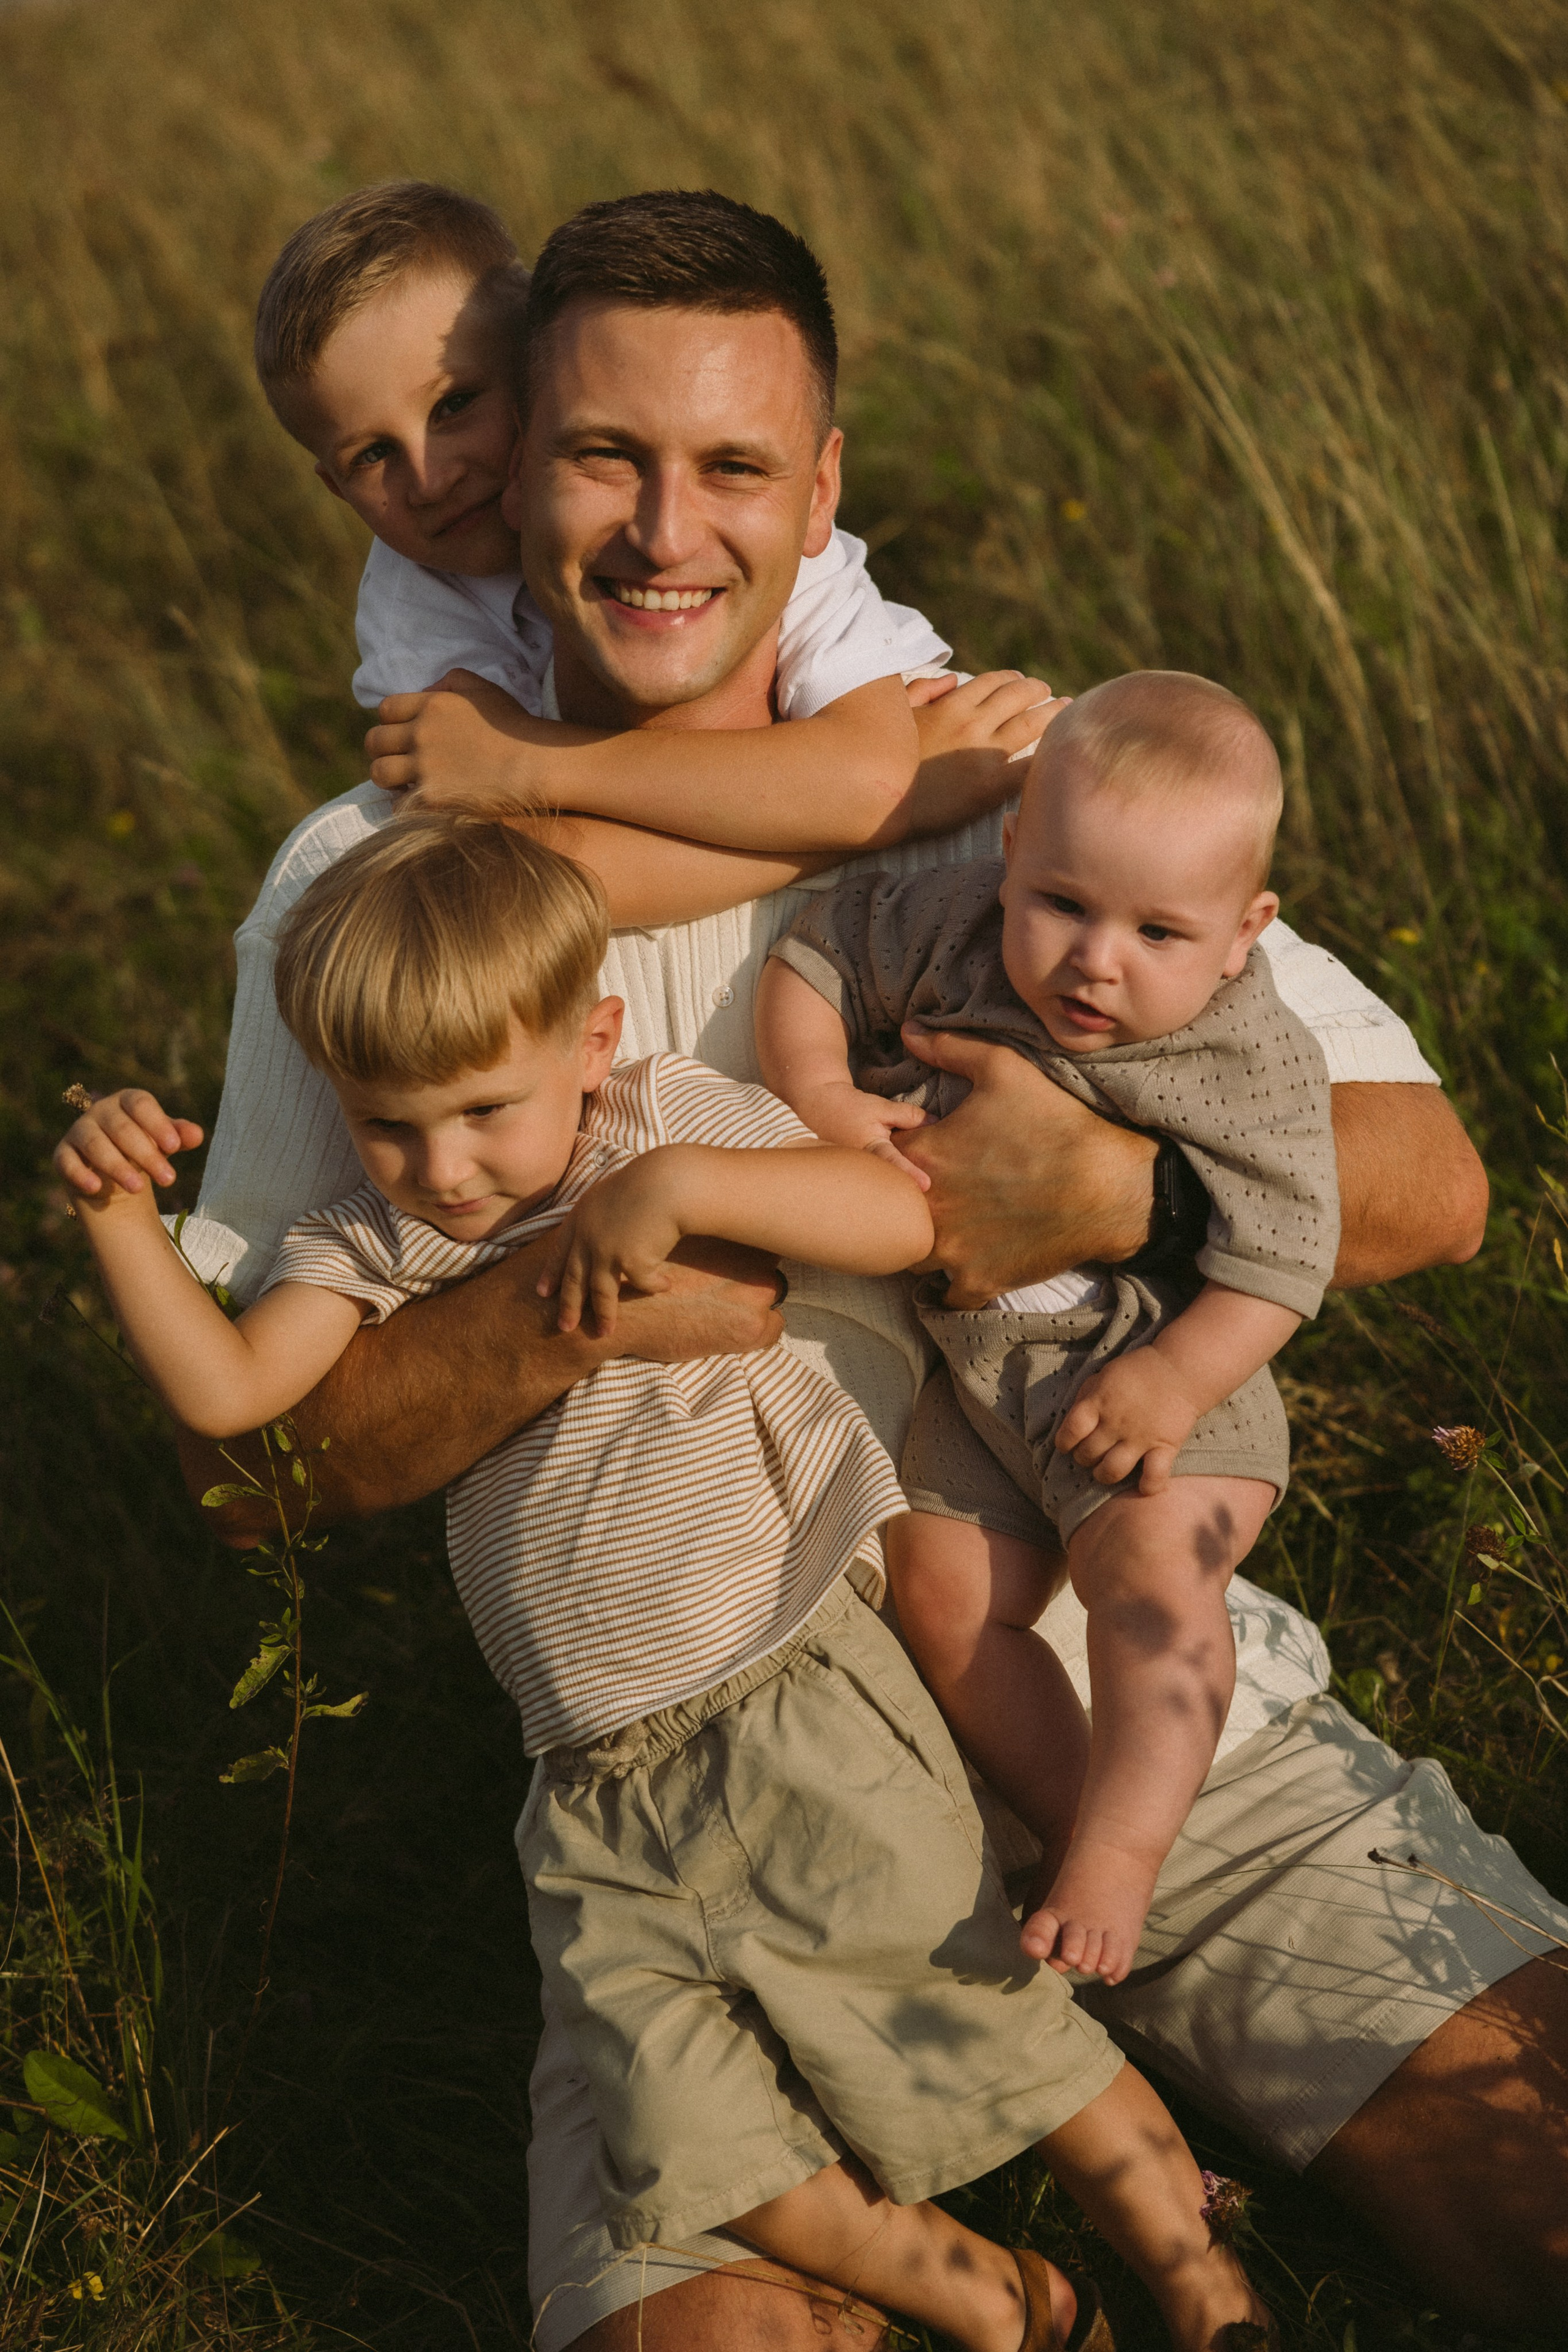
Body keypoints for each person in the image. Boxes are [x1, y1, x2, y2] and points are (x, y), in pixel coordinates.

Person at [126, 190, 1558, 2346]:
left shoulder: (989, 771)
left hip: (1134, 1728)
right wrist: (602, 1292)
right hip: (705, 1825)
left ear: (825, 491)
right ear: (517, 465)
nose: (659, 531)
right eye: (604, 456)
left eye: (732, 471)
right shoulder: (383, 900)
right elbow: (265, 1465)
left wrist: (1101, 1190)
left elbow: (1438, 1181)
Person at [57, 812, 1276, 2352]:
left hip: (776, 1677)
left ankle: (1200, 2282)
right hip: (581, 1773)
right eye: (387, 1125)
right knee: (694, 2153)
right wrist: (120, 1225)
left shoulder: (661, 1128)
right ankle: (1020, 2311)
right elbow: (235, 1400)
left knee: (972, 2016)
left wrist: (688, 1187)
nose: (441, 1167)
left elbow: (907, 1214)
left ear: (594, 1042)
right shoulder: (368, 1243)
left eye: (484, 1109)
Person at [758, 670, 1340, 1986]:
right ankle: (1086, 1824)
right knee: (948, 1599)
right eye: (1064, 903)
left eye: (1157, 933)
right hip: (981, 1389)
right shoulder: (950, 930)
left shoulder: (1245, 1057)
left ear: (1244, 933)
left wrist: (1175, 1384)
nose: (1095, 960)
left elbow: (1286, 1253)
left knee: (1150, 1582)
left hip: (1154, 1383)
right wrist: (817, 1090)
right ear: (1010, 850)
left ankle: (1121, 1863)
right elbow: (812, 947)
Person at [254, 178, 1055, 858]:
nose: (432, 477)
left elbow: (861, 785)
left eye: (457, 405)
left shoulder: (781, 551)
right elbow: (533, 868)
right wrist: (891, 820)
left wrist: (536, 767)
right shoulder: (413, 609)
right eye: (373, 456)